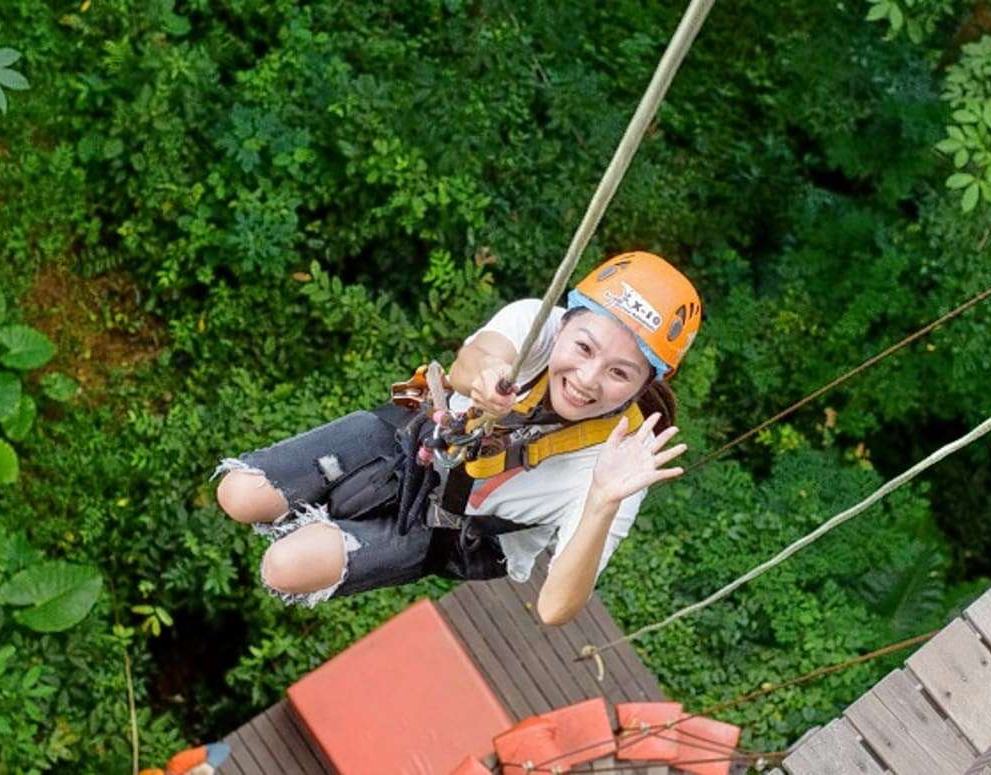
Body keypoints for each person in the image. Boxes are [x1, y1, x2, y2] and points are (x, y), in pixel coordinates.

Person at [214, 251, 701, 625]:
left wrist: (601, 501)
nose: (588, 379)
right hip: (418, 441)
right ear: (565, 324)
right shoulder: (537, 325)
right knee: (238, 493)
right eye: (584, 348)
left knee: (285, 566)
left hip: (456, 530)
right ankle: (323, 504)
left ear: (645, 385)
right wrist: (489, 376)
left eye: (620, 373)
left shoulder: (620, 459)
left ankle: (326, 523)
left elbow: (555, 608)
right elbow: (474, 360)